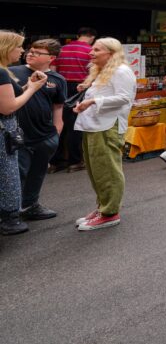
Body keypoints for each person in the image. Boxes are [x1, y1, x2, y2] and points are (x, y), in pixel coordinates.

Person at [72, 37, 136, 231]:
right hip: (95, 125)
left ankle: (110, 212)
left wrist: (92, 101)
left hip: (108, 126)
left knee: (107, 170)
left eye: (97, 50)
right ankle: (103, 207)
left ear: (110, 53)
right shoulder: (103, 70)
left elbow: (125, 98)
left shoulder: (121, 70)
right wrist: (87, 91)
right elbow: (108, 94)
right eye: (93, 49)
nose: (91, 53)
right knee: (97, 170)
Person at [10, 39, 66, 222]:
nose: (30, 54)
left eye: (37, 52)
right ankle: (10, 213)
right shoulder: (13, 72)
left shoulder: (58, 79)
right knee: (17, 175)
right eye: (30, 50)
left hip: (45, 136)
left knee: (37, 173)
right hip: (17, 136)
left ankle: (30, 206)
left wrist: (57, 132)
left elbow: (58, 107)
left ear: (51, 58)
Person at [0, 31, 48, 235]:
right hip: (4, 130)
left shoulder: (5, 71)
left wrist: (27, 85)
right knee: (8, 173)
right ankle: (10, 218)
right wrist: (33, 89)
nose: (22, 51)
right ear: (6, 47)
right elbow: (8, 107)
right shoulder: (1, 72)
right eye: (19, 46)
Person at [51, 27, 95, 173]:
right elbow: (93, 72)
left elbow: (53, 69)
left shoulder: (62, 49)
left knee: (58, 123)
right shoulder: (91, 50)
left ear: (77, 36)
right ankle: (75, 161)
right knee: (75, 125)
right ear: (92, 37)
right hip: (80, 88)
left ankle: (56, 161)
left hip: (60, 86)